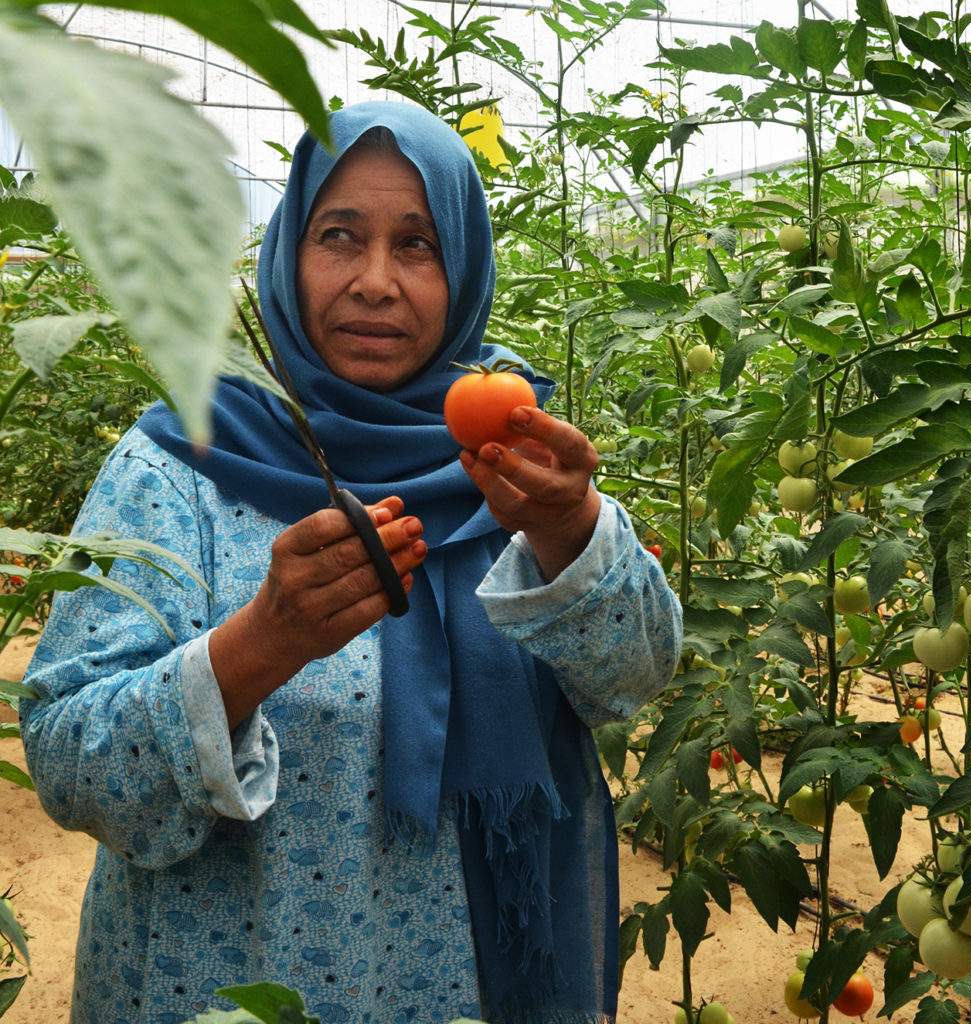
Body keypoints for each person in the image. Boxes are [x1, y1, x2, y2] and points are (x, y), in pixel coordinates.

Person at [20, 101, 682, 1024]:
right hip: (229, 982)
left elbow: (634, 677)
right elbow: (67, 758)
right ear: (289, 253)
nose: (376, 281)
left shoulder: (516, 452)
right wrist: (258, 645)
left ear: (465, 267)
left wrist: (572, 527)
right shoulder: (180, 462)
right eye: (340, 236)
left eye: (417, 245)